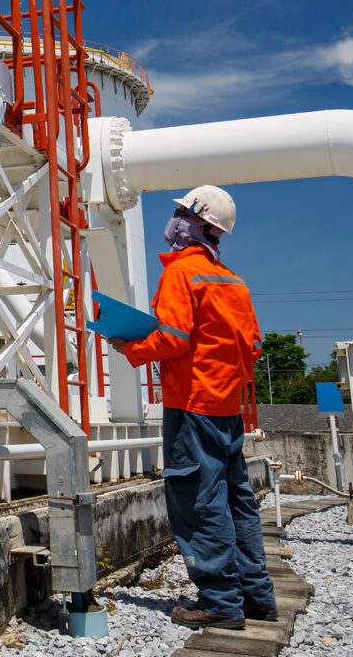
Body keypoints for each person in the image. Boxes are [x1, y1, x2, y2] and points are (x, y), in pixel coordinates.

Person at [105, 185, 276, 630]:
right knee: (237, 499)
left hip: (191, 404)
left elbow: (175, 338)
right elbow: (254, 344)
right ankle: (256, 596)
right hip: (226, 406)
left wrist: (131, 347)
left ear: (197, 225)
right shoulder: (234, 282)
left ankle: (220, 602)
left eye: (182, 212)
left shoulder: (181, 274)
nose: (175, 219)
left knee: (200, 501)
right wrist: (224, 376)